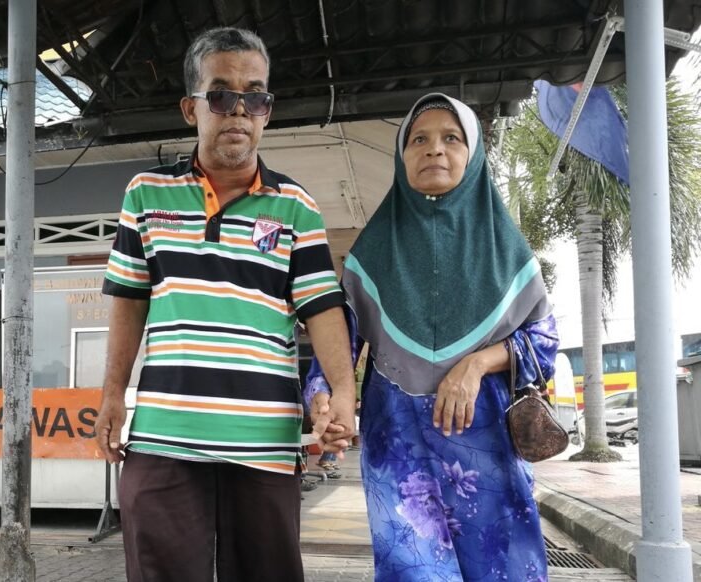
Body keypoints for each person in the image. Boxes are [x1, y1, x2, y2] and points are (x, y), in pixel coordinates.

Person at [94, 27, 356, 582]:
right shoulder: (145, 193)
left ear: (267, 112)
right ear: (191, 108)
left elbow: (321, 308)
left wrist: (343, 391)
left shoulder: (296, 206)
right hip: (165, 438)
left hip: (263, 444)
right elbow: (129, 300)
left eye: (255, 97)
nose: (239, 110)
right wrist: (112, 392)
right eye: (221, 95)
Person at [305, 93, 558, 581]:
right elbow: (337, 343)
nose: (434, 149)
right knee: (413, 572)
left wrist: (477, 364)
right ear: (402, 157)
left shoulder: (508, 252)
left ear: (473, 154)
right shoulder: (370, 253)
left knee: (500, 569)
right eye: (418, 139)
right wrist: (325, 398)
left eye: (451, 138)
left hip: (487, 444)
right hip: (398, 443)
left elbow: (544, 343)